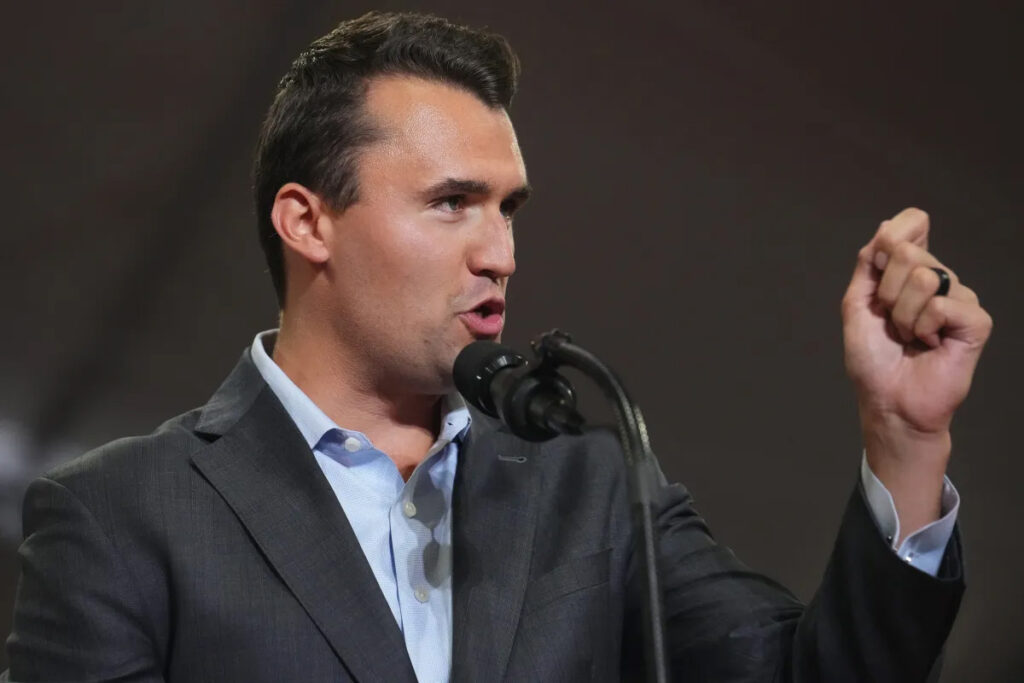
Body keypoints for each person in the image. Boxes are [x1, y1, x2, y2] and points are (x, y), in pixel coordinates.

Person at [3, 11, 992, 683]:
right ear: (308, 222)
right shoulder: (121, 513)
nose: (502, 253)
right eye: (452, 203)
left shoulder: (590, 487)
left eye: (507, 208)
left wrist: (905, 436)